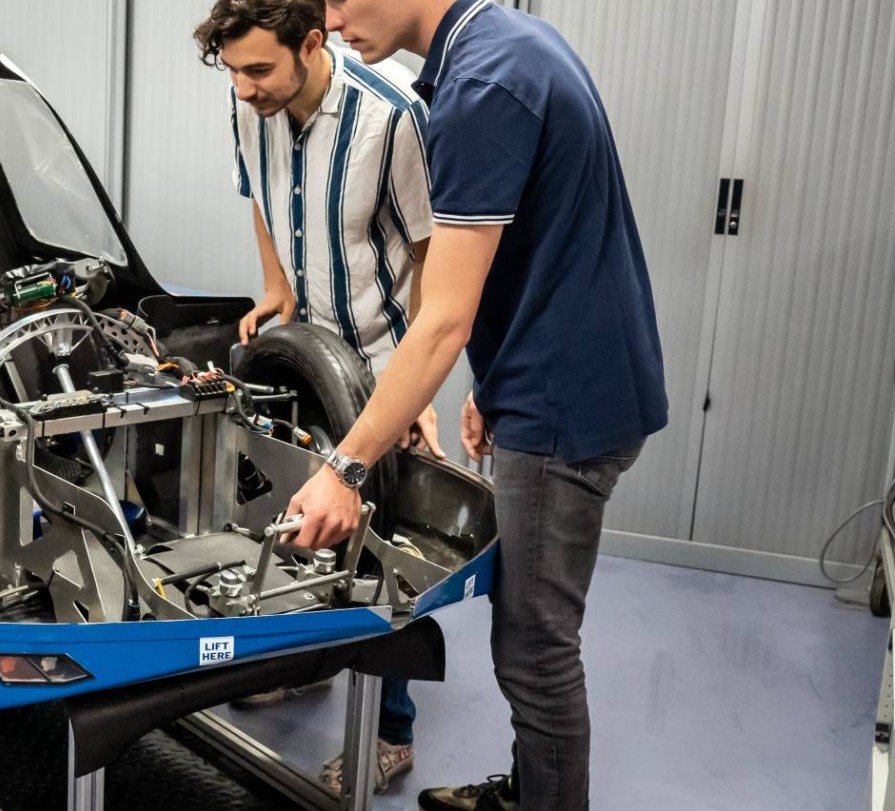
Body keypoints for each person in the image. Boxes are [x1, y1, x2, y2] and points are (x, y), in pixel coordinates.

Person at [286, 1, 671, 809]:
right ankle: (531, 788)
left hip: (564, 402)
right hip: (558, 377)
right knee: (529, 626)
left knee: (533, 647)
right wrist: (494, 387)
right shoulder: (502, 45)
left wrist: (343, 467)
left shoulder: (484, 85)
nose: (328, 18)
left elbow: (443, 319)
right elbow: (530, 248)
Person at [194, 0, 447, 795]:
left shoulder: (394, 117)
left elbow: (438, 260)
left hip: (380, 369)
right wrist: (276, 284)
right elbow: (261, 200)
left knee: (384, 555)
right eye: (232, 70)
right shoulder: (251, 105)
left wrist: (418, 388)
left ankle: (390, 730)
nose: (243, 89)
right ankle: (307, 666)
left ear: (312, 43)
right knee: (297, 515)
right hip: (303, 360)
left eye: (259, 70)